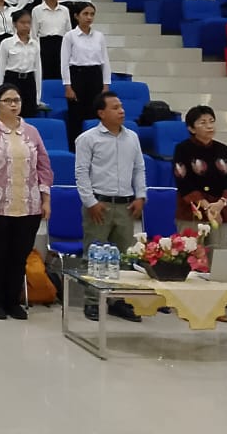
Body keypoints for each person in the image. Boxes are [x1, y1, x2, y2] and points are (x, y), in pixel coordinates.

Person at [0, 83, 53, 320]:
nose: (14, 105)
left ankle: (13, 301)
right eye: (8, 101)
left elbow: (44, 166)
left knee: (19, 255)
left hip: (27, 206)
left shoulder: (32, 132)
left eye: (17, 100)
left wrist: (45, 199)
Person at [74, 91, 146, 322]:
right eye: (115, 107)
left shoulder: (132, 137)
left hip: (126, 205)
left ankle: (120, 301)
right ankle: (93, 301)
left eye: (121, 106)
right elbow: (81, 173)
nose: (121, 111)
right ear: (101, 113)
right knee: (94, 255)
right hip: (99, 205)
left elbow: (139, 169)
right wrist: (90, 202)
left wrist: (141, 196)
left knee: (125, 257)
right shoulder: (87, 139)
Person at [172, 105, 227, 251]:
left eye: (211, 121)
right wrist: (206, 206)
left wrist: (220, 204)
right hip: (192, 212)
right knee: (191, 255)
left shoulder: (223, 149)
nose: (209, 126)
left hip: (220, 212)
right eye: (203, 123)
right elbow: (183, 181)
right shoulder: (182, 149)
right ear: (191, 128)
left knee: (218, 256)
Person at [61, 3, 111, 142]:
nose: (89, 17)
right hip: (77, 75)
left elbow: (105, 61)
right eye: (85, 14)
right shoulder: (70, 36)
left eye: (92, 14)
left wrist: (106, 84)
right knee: (76, 114)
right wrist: (68, 86)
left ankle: (96, 143)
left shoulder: (99, 36)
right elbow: (64, 63)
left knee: (95, 112)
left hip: (95, 75)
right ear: (77, 16)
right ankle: (75, 145)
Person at [0, 9, 43, 118]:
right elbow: (1, 68)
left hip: (29, 81)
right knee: (10, 114)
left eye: (28, 22)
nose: (26, 26)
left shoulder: (35, 44)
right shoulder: (6, 43)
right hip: (12, 79)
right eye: (22, 22)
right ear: (14, 24)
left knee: (29, 114)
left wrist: (38, 94)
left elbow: (38, 69)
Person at [33, 0, 71, 79]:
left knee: (60, 71)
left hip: (61, 43)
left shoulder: (65, 10)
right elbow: (34, 32)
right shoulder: (37, 10)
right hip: (44, 43)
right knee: (45, 72)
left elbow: (68, 30)